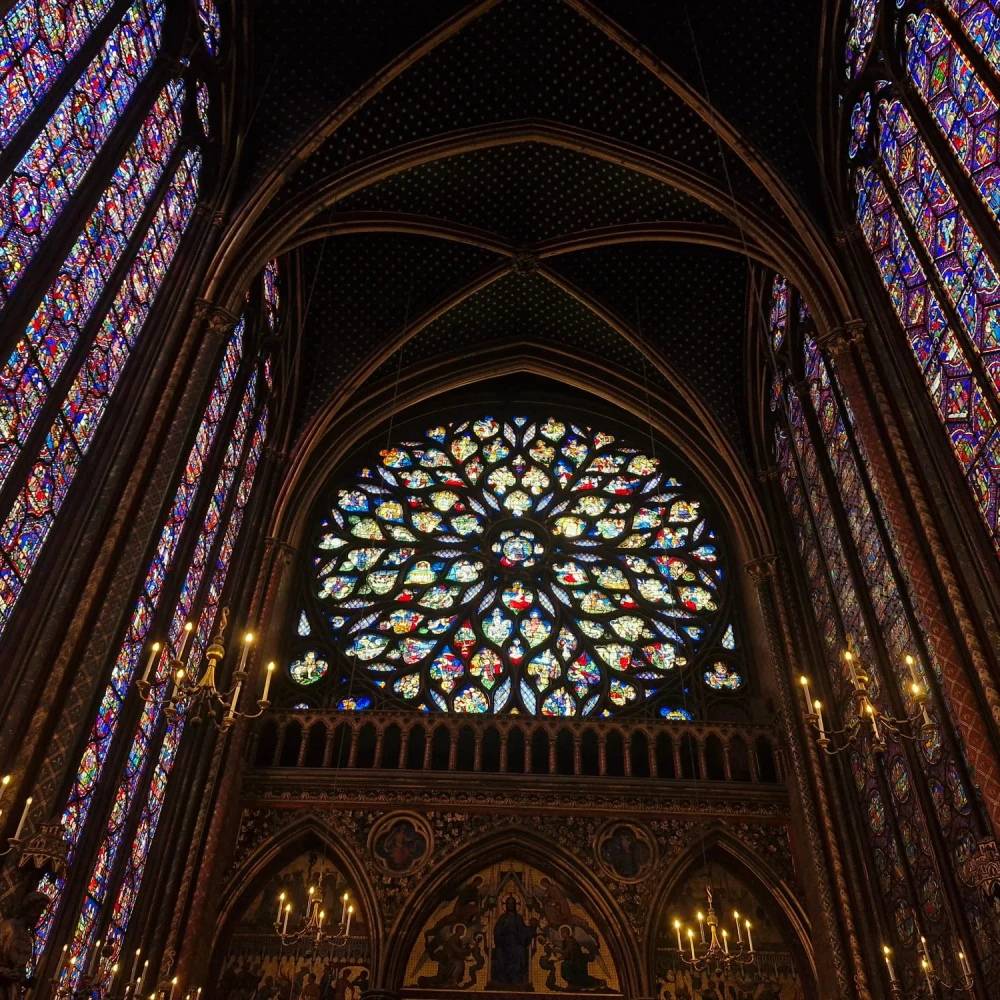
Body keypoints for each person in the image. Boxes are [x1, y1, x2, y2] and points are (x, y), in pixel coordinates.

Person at [489, 896, 537, 986]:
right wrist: (504, 929)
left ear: (515, 905)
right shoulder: (502, 918)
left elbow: (523, 931)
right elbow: (497, 931)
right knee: (500, 954)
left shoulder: (518, 917)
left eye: (512, 903)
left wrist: (532, 927)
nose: (510, 905)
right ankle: (503, 978)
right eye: (508, 903)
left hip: (516, 943)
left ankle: (517, 978)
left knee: (520, 951)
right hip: (504, 944)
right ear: (506, 905)